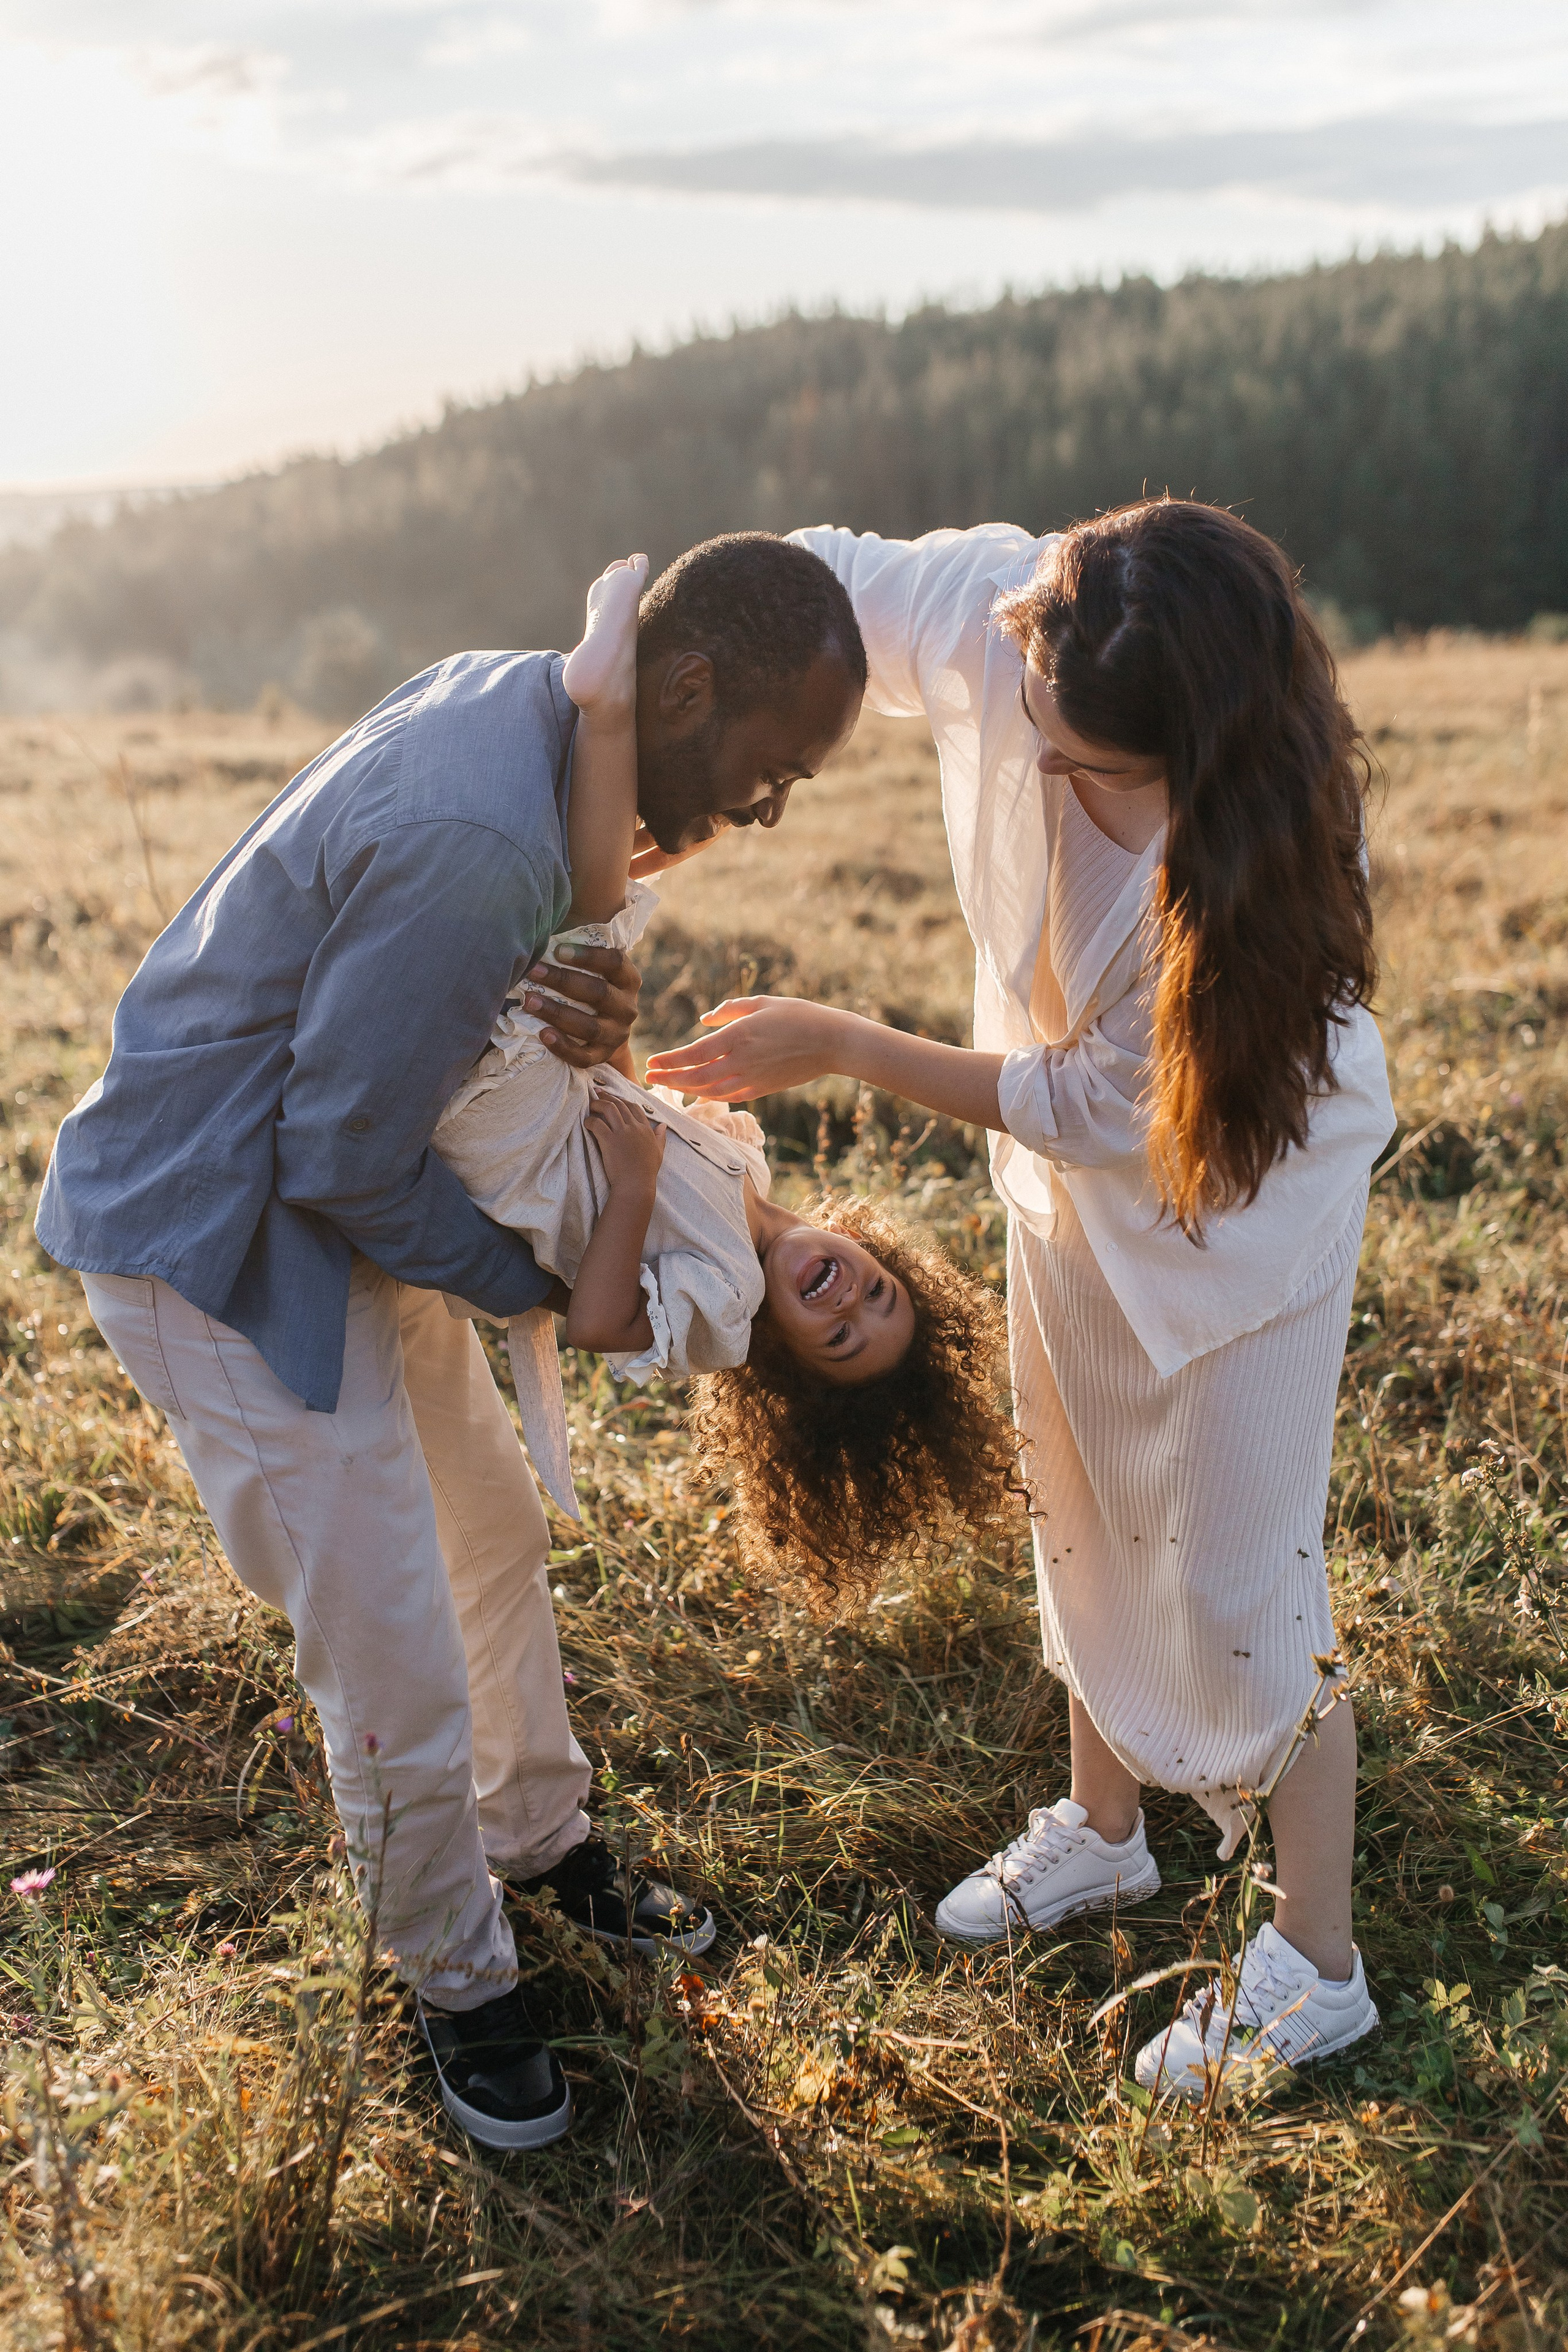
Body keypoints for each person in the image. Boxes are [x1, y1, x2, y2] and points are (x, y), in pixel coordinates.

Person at [36, 532, 867, 2152]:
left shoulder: (553, 727)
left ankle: (540, 1840)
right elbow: (338, 1155)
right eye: (771, 773)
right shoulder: (484, 832)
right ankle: (455, 1973)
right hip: (222, 1237)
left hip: (352, 1193)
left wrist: (591, 1028)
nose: (769, 812)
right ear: (682, 686)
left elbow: (447, 1046)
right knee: (391, 1628)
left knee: (485, 1520)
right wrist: (541, 1286)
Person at [646, 498, 1398, 2104]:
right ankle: (1106, 1836)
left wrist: (840, 1040)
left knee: (1239, 1591)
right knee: (1080, 1506)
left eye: (1087, 767)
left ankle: (1317, 1969)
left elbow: (1088, 1102)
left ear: (1195, 749)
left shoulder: (1248, 877)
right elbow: (803, 585)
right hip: (1067, 1201)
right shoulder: (1011, 609)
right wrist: (632, 734)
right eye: (1038, 734)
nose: (1045, 774)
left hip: (1233, 1216)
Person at [433, 555, 1016, 1608]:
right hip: (552, 1100)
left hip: (508, 1140)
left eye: (840, 1337)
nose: (848, 1301)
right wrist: (611, 1030)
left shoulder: (724, 1309)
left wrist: (641, 1188)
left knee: (590, 912)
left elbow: (600, 1324)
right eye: (879, 1293)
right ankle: (647, 759)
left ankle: (603, 702)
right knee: (592, 918)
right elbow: (623, 1101)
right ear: (881, 1255)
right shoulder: (746, 1179)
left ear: (790, 1363)